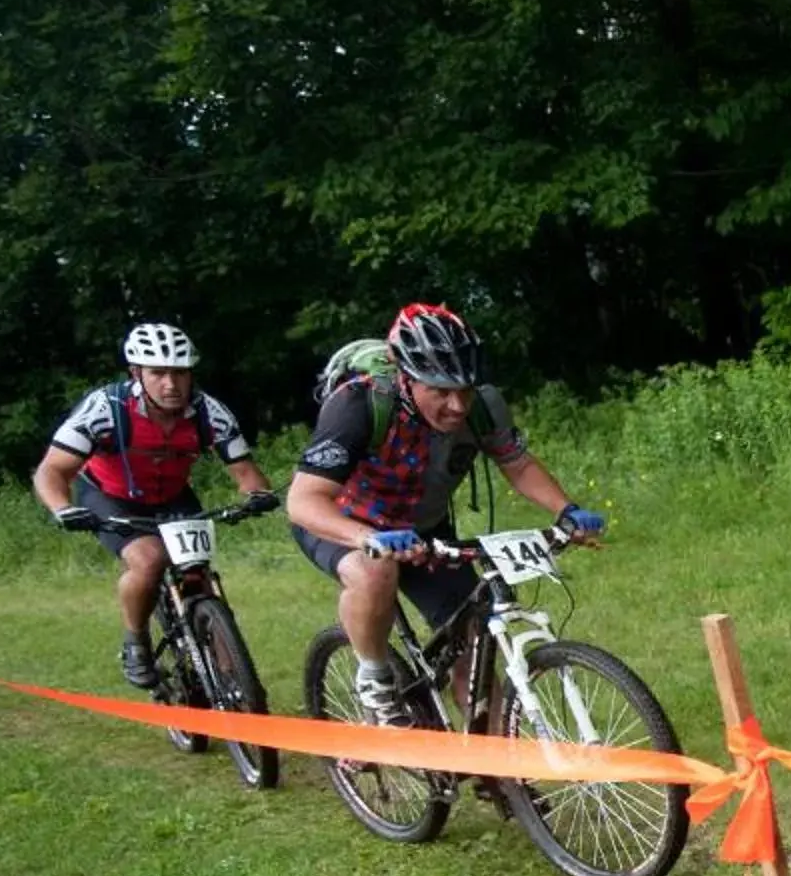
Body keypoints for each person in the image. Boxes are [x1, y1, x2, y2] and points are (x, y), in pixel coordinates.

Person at [281, 303, 604, 725]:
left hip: (422, 528)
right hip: (342, 522)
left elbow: (518, 463)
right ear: (407, 378)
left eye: (466, 389)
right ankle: (376, 679)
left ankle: (499, 778)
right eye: (440, 390)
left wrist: (568, 510)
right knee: (374, 572)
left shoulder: (483, 407)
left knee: (476, 643)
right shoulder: (360, 404)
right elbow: (304, 500)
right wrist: (365, 537)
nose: (457, 405)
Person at [33, 323, 280, 688]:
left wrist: (257, 496)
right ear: (137, 373)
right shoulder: (105, 408)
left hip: (173, 496)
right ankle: (137, 641)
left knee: (198, 575)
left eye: (180, 373)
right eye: (158, 373)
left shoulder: (209, 412)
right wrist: (61, 508)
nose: (171, 384)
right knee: (149, 561)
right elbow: (51, 470)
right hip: (110, 495)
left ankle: (234, 676)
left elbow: (246, 472)